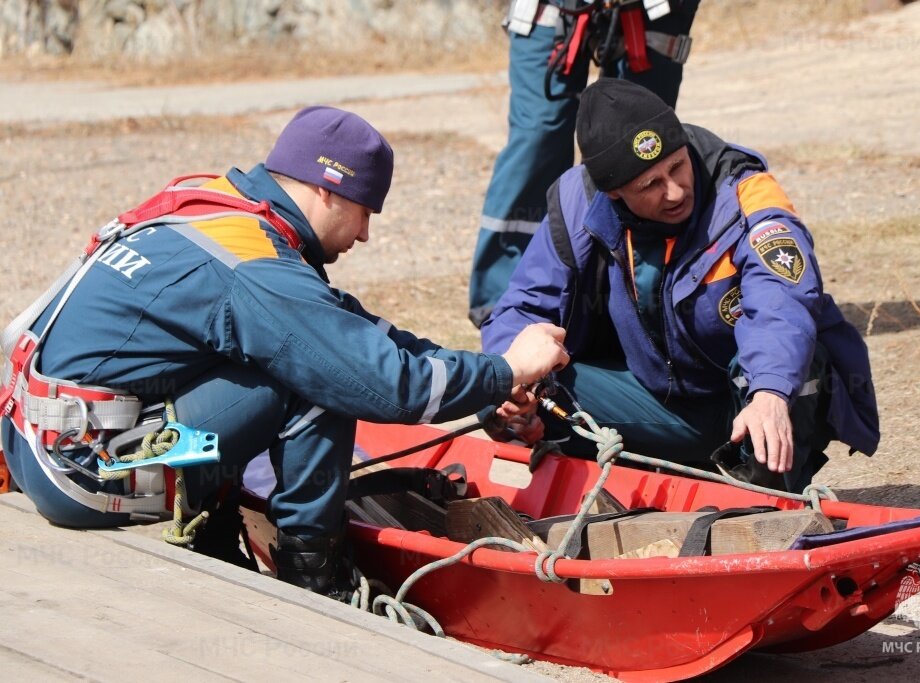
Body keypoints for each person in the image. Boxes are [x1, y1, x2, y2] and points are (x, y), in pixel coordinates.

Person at [0, 106, 569, 593]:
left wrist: (485, 373)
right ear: (326, 189)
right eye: (366, 211)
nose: (366, 234)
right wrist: (508, 369)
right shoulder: (257, 270)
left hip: (36, 444)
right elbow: (378, 382)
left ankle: (216, 530)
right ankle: (316, 581)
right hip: (89, 473)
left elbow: (347, 327)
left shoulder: (212, 207)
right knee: (320, 381)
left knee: (306, 354)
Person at [481, 80, 880, 492]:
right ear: (614, 194)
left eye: (677, 167)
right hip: (659, 402)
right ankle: (618, 488)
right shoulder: (576, 203)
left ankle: (767, 502)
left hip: (750, 400)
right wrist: (512, 381)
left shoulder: (746, 192)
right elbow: (524, 307)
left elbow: (781, 301)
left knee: (797, 354)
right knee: (515, 377)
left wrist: (771, 393)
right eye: (649, 185)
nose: (673, 192)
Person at [468, 0, 702, 327]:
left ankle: (636, 300)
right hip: (552, 7)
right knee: (538, 138)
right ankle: (506, 311)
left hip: (652, 8)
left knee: (643, 149)